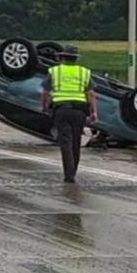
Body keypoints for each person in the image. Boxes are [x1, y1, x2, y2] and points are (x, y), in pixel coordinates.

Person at [40, 45, 98, 183]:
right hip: (79, 112)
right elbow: (91, 94)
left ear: (62, 57)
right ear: (76, 58)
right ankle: (73, 172)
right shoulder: (84, 72)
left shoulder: (55, 71)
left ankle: (69, 174)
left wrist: (45, 107)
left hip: (61, 110)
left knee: (65, 142)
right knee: (76, 142)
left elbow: (45, 92)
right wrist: (94, 112)